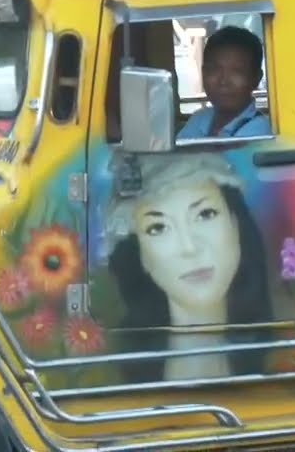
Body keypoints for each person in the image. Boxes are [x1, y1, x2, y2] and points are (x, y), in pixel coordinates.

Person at [104, 153, 274, 382]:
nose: (189, 247)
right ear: (140, 254)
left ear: (236, 223)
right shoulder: (109, 374)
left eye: (205, 214)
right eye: (158, 228)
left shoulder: (288, 354)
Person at [177, 25, 271, 140]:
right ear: (204, 72)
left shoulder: (258, 129)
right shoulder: (200, 118)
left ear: (256, 78)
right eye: (214, 69)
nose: (223, 81)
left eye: (237, 71)